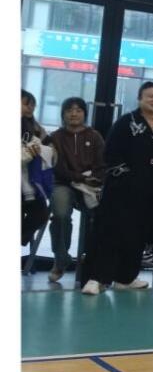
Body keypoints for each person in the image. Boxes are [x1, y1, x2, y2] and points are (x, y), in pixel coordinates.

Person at [81, 81, 153, 295]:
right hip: (123, 191)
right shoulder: (126, 122)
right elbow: (111, 154)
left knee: (138, 235)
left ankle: (126, 277)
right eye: (150, 96)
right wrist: (129, 179)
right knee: (110, 234)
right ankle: (96, 278)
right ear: (140, 99)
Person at [48, 96, 106, 285]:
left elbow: (102, 164)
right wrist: (79, 177)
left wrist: (94, 179)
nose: (74, 114)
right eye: (69, 110)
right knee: (60, 212)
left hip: (91, 186)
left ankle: (93, 264)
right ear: (63, 114)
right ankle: (61, 259)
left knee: (103, 216)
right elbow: (57, 168)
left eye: (78, 110)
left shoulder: (95, 136)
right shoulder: (55, 137)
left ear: (84, 114)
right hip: (64, 183)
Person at [21, 91, 55, 257]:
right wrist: (28, 153)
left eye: (33, 105)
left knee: (41, 213)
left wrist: (50, 150)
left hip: (29, 182)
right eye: (26, 104)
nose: (30, 108)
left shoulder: (34, 126)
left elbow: (48, 142)